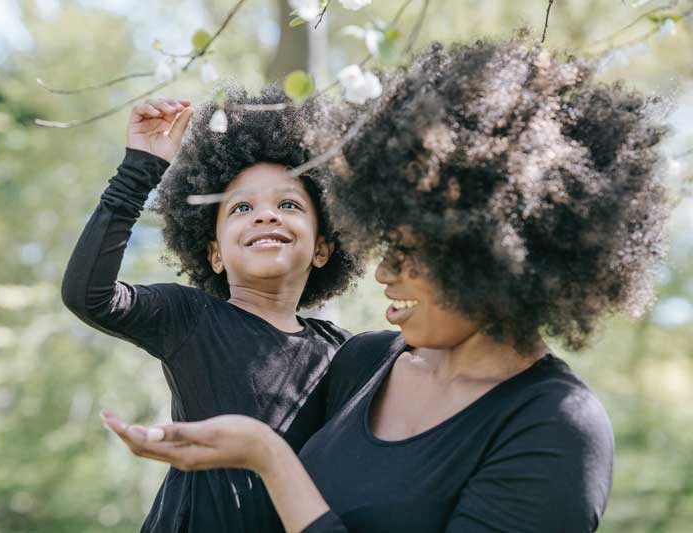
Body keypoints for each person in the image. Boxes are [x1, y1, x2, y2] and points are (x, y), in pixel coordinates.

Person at [102, 38, 669, 532]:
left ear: (496, 255)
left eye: (409, 253)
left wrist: (270, 459)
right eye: (385, 245)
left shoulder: (555, 429)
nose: (382, 273)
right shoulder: (363, 361)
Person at [63, 84, 363, 532]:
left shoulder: (345, 352)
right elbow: (90, 295)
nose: (266, 216)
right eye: (241, 207)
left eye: (288, 204)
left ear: (323, 248)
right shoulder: (190, 318)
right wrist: (139, 171)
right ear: (214, 254)